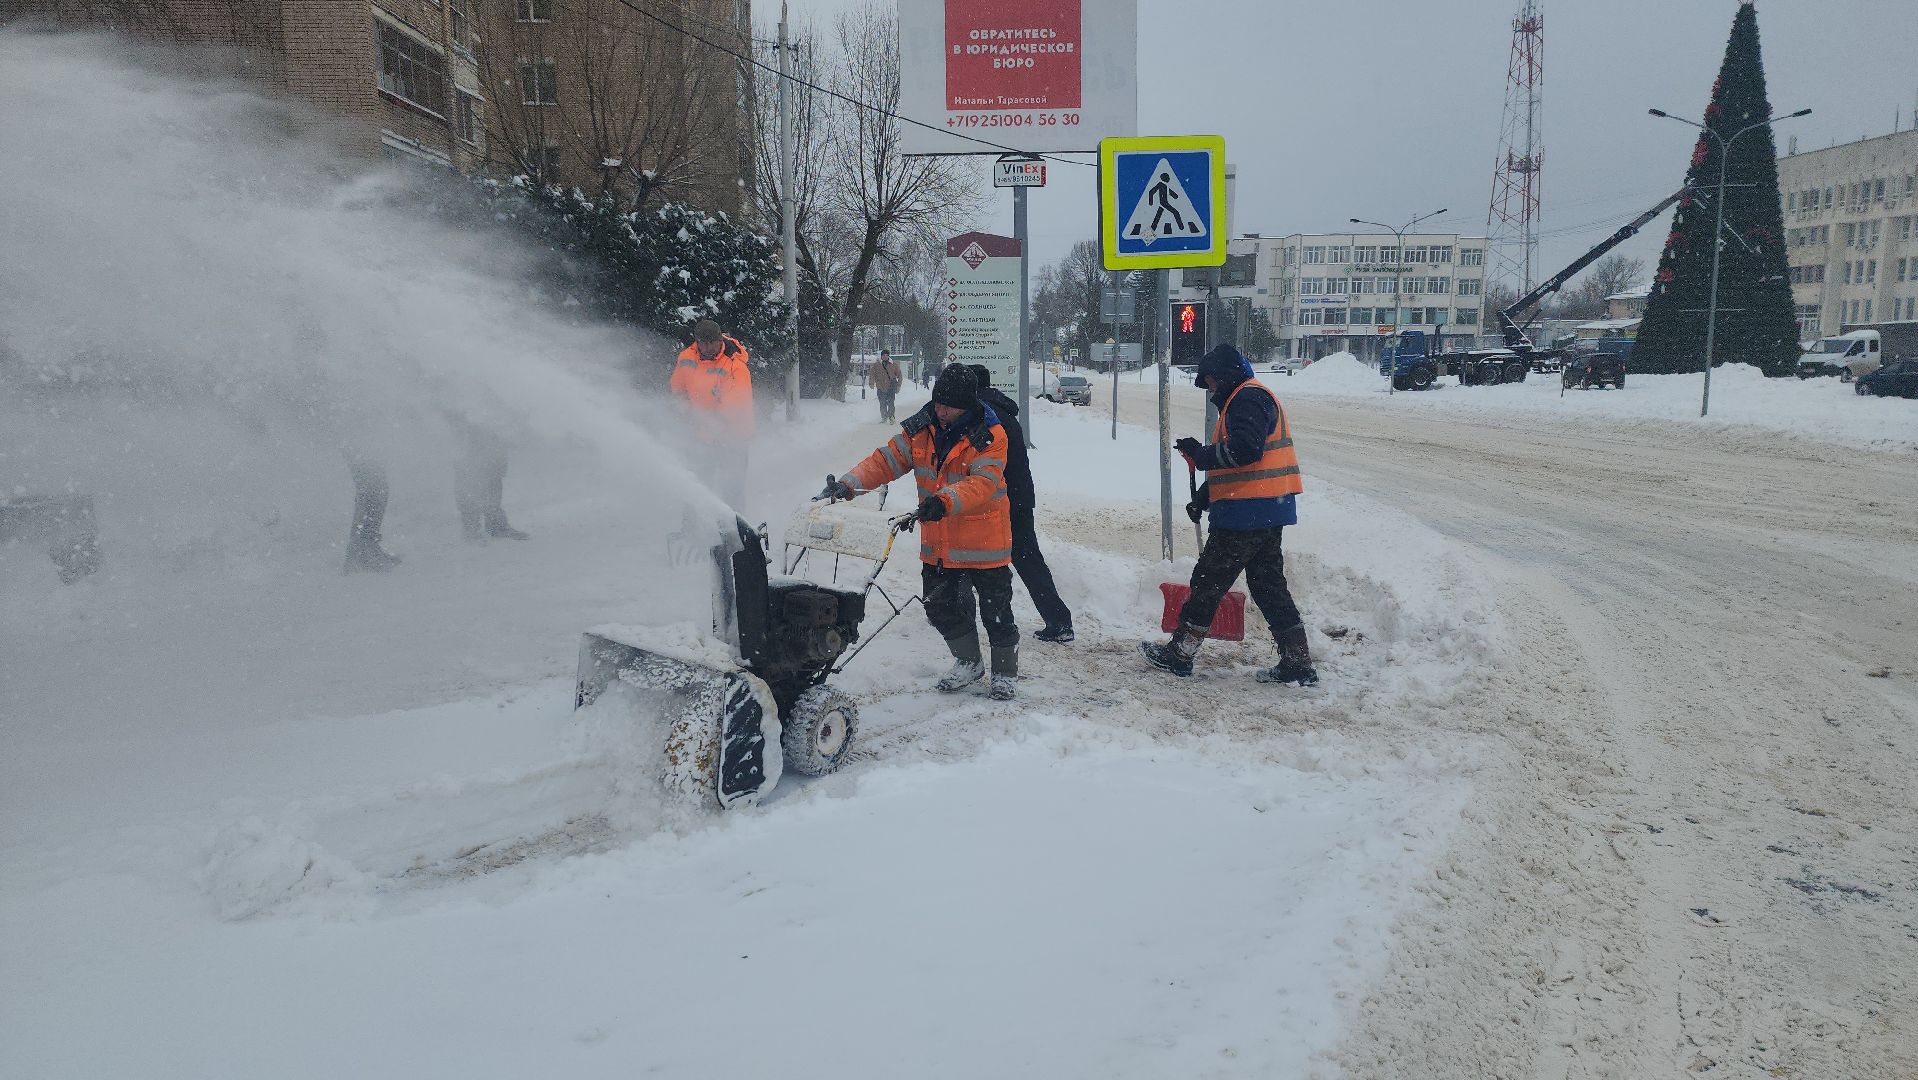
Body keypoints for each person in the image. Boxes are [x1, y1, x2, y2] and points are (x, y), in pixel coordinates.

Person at [821, 364, 1019, 699]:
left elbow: (983, 484)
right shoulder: (922, 428)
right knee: (938, 606)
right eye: (938, 403)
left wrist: (943, 501)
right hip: (939, 539)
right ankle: (968, 661)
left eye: (949, 406)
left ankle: (1005, 672)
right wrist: (847, 485)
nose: (941, 412)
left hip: (984, 540)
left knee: (996, 610)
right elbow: (885, 461)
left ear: (967, 405)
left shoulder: (989, 434)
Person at [1142, 344, 1318, 685]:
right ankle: (1297, 660)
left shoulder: (1247, 398)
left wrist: (1201, 455)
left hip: (1246, 515)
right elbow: (1239, 467)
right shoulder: (1248, 397)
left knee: (1209, 580)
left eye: (1210, 383)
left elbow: (1245, 451)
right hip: (1265, 509)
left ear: (1224, 377)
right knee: (1268, 585)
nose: (1210, 391)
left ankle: (1180, 653)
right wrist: (1205, 498)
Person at [967, 364, 1073, 643]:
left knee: (964, 553)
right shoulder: (1002, 411)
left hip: (998, 500)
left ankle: (954, 614)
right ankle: (1059, 620)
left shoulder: (985, 417)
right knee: (1028, 559)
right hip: (1019, 496)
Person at [669, 319, 754, 509]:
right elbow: (678, 389)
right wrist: (686, 412)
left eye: (711, 342)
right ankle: (692, 529)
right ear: (697, 342)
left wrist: (715, 422)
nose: (707, 347)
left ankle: (733, 533)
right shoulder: (686, 358)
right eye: (702, 343)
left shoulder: (735, 366)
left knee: (731, 486)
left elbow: (735, 402)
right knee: (696, 485)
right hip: (700, 435)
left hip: (732, 437)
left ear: (720, 341)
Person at [452, 418, 528, 542]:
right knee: (469, 480)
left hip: (492, 433)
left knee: (493, 477)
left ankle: (496, 526)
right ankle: (470, 529)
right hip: (470, 435)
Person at [869, 348, 902, 423]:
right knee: (882, 403)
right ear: (881, 356)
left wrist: (899, 385)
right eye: (883, 355)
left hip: (891, 387)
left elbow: (900, 375)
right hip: (880, 387)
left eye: (887, 355)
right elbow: (872, 375)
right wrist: (871, 383)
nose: (885, 356)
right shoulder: (876, 365)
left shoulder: (893, 364)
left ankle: (891, 417)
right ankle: (884, 417)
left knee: (891, 403)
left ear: (888, 356)